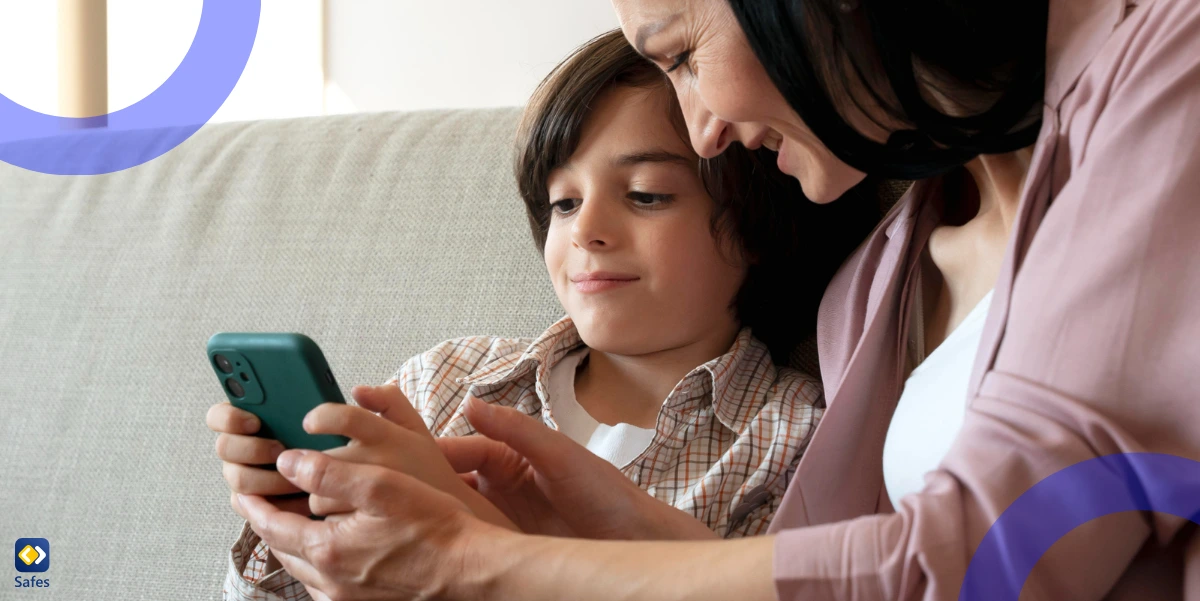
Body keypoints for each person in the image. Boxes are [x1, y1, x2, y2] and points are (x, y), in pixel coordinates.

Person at [232, 0, 1200, 599]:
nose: (702, 132)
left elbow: (975, 569)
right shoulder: (875, 284)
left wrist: (475, 566)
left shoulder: (1171, 68)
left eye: (684, 55)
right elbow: (840, 576)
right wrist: (589, 537)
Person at [209, 29, 880, 601]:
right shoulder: (443, 382)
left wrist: (475, 544)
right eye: (562, 202)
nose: (586, 227)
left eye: (645, 195)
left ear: (755, 223)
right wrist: (294, 511)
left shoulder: (791, 441)